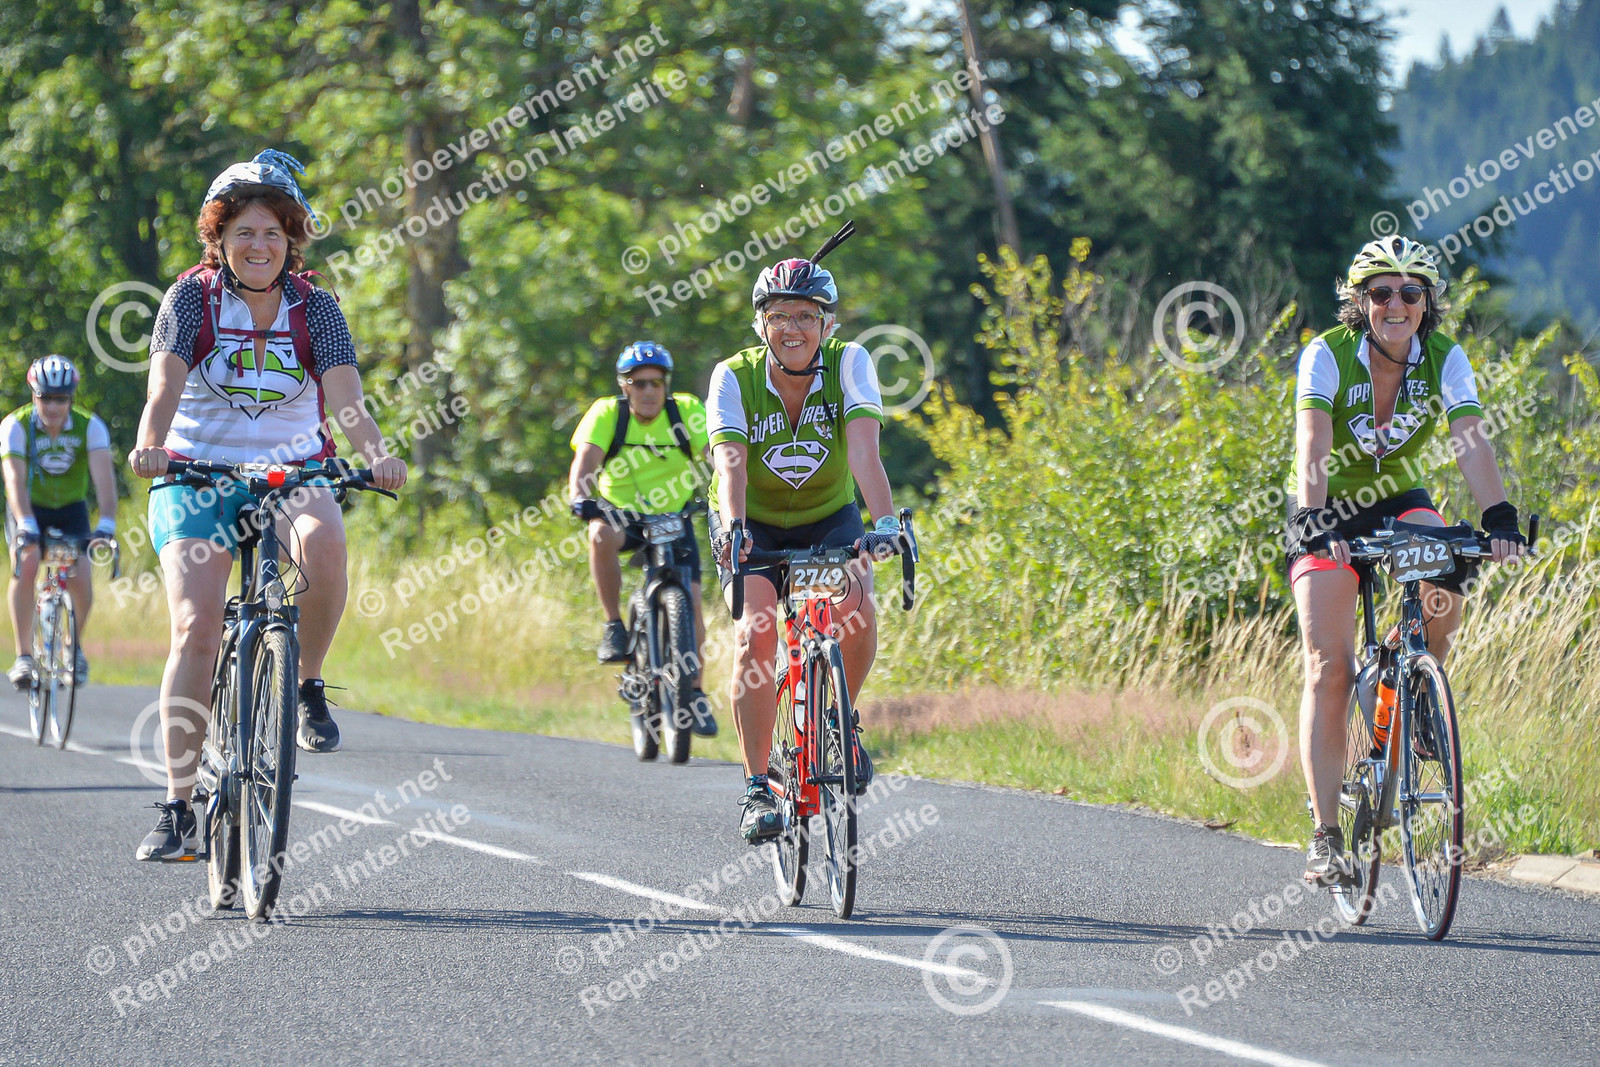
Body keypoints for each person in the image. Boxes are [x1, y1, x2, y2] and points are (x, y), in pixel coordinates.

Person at [127, 149, 406, 861]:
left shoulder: (317, 308)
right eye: (244, 232)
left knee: (326, 543)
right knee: (195, 627)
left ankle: (306, 682)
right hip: (196, 474)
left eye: (273, 233)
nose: (259, 246)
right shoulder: (189, 300)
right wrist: (151, 445)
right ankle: (178, 804)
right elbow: (163, 388)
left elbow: (347, 400)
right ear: (218, 238)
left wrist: (377, 454)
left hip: (292, 471)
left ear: (292, 240)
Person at [1288, 235, 1526, 886]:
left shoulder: (1445, 357)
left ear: (1426, 303)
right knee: (1328, 667)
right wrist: (1313, 519)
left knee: (1447, 574)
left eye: (1410, 292)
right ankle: (1326, 835)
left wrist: (1498, 516)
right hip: (1327, 507)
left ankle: (1405, 677)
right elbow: (1313, 440)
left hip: (1399, 502)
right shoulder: (1327, 354)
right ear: (1360, 302)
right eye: (1382, 292)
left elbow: (1470, 440)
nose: (1397, 303)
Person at [706, 250, 899, 843]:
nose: (792, 328)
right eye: (779, 316)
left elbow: (863, 450)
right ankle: (757, 787)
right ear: (760, 323)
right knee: (756, 633)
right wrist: (736, 527)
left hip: (826, 518)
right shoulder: (732, 376)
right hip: (752, 522)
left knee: (857, 605)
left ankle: (839, 720)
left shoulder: (850, 363)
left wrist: (884, 522)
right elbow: (731, 461)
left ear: (827, 323)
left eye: (806, 316)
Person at [568, 341, 716, 736]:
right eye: (638, 383)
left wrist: (730, 486)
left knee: (692, 602)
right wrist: (580, 497)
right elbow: (584, 464)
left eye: (656, 383)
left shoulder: (686, 411)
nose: (648, 391)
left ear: (667, 385)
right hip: (623, 513)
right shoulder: (607, 414)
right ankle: (614, 625)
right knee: (599, 534)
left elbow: (714, 455)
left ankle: (695, 693)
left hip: (674, 515)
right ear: (625, 386)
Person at [2, 356, 118, 687]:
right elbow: (13, 480)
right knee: (27, 563)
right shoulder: (15, 426)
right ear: (33, 395)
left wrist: (107, 523)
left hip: (70, 508)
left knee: (80, 572)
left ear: (71, 398)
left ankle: (73, 645)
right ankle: (24, 656)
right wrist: (26, 524)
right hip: (29, 507)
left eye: (61, 399)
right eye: (46, 398)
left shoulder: (90, 426)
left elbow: (104, 480)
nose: (53, 407)